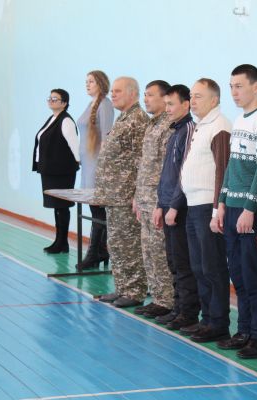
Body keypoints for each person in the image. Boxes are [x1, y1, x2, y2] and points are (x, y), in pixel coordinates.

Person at [216, 64, 257, 358]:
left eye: (239, 86)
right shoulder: (240, 119)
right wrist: (221, 202)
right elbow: (231, 166)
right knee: (238, 275)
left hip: (248, 211)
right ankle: (243, 330)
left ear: (256, 87)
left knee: (254, 275)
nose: (234, 92)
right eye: (231, 86)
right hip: (231, 208)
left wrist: (249, 208)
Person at [179, 78, 231, 343]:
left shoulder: (220, 126)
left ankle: (218, 323)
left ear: (214, 99)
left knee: (212, 267)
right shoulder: (201, 125)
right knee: (199, 266)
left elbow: (223, 169)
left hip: (207, 208)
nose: (193, 101)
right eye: (191, 96)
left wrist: (215, 210)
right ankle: (207, 319)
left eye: (198, 96)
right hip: (193, 205)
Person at [94, 77, 150, 308]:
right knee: (117, 245)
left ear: (132, 93)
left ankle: (135, 290)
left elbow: (142, 160)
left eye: (117, 91)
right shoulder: (124, 117)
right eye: (113, 91)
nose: (113, 95)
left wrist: (137, 194)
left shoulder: (138, 120)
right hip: (114, 195)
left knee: (129, 246)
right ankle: (123, 287)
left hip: (126, 196)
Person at [153, 84, 200, 330]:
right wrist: (160, 204)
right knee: (173, 261)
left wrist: (173, 206)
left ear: (186, 104)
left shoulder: (189, 129)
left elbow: (185, 174)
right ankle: (178, 308)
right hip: (168, 205)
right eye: (166, 104)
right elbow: (167, 174)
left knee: (183, 263)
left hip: (180, 209)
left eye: (171, 104)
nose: (167, 109)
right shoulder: (175, 131)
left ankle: (188, 313)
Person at [132, 80, 175, 318]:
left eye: (150, 95)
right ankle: (157, 297)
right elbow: (145, 165)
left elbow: (166, 169)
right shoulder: (152, 124)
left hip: (158, 200)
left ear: (164, 98)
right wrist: (138, 197)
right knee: (148, 251)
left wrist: (161, 203)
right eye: (145, 95)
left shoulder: (169, 126)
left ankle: (166, 300)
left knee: (160, 252)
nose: (146, 99)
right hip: (145, 199)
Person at [32, 89, 80, 254]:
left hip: (62, 172)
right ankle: (59, 241)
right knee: (57, 207)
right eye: (50, 98)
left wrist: (78, 163)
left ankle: (62, 242)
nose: (51, 101)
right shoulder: (53, 118)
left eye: (55, 98)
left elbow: (75, 147)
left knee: (62, 207)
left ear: (64, 103)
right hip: (50, 170)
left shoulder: (66, 121)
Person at [76, 70, 114, 269]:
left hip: (97, 165)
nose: (87, 84)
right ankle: (99, 250)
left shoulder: (105, 104)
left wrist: (104, 168)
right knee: (94, 209)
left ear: (100, 83)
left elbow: (107, 137)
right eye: (86, 81)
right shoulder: (90, 104)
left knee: (98, 209)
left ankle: (95, 252)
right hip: (87, 164)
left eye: (91, 81)